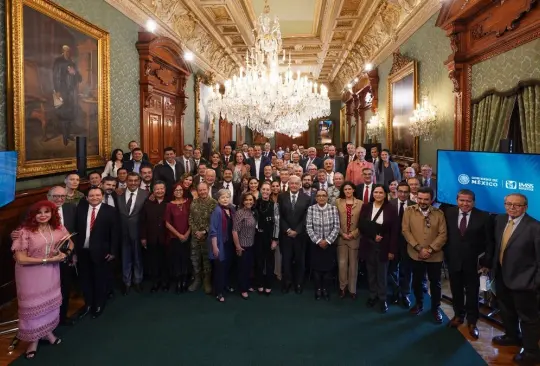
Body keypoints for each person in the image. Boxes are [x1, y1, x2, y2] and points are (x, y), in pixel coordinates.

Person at [485, 193, 540, 364]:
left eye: (517, 205)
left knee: (528, 318)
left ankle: (532, 352)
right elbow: (497, 246)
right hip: (501, 277)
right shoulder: (500, 220)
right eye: (508, 204)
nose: (512, 208)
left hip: (525, 283)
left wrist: (535, 283)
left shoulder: (535, 227)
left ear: (525, 207)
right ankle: (512, 336)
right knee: (506, 311)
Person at [11, 200, 70, 359]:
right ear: (33, 214)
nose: (43, 215)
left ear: (52, 213)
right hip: (30, 275)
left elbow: (69, 242)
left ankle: (48, 333)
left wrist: (65, 254)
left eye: (47, 212)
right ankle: (33, 341)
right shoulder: (24, 231)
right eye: (39, 212)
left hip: (51, 272)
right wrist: (46, 260)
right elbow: (21, 258)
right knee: (33, 308)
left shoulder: (58, 228)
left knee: (49, 306)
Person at [444, 189, 493, 339]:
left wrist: (486, 263)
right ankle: (458, 316)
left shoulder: (484, 216)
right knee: (456, 290)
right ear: (457, 200)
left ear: (474, 202)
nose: (465, 204)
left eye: (468, 201)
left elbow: (490, 242)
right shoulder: (448, 213)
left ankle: (472, 321)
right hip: (453, 261)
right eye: (462, 200)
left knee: (472, 293)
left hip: (474, 264)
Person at [402, 187, 447, 323]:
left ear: (431, 199)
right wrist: (418, 248)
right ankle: (419, 304)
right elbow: (405, 230)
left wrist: (430, 250)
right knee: (417, 281)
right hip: (415, 254)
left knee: (435, 283)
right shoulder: (409, 211)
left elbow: (443, 234)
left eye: (425, 199)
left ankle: (435, 309)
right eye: (419, 198)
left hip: (435, 256)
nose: (422, 201)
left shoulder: (439, 214)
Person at [75, 187, 119, 320]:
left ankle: (99, 304)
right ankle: (88, 303)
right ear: (87, 197)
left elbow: (115, 233)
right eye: (91, 195)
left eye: (98, 195)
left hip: (101, 252)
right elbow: (76, 229)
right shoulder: (81, 209)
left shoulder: (110, 211)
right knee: (85, 279)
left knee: (100, 278)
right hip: (83, 251)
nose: (95, 198)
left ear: (102, 196)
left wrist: (113, 251)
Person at [359, 185, 399, 313]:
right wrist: (372, 235)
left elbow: (394, 231)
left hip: (384, 246)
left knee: (382, 274)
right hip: (369, 244)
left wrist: (392, 250)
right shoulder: (366, 207)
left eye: (381, 192)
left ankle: (382, 298)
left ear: (385, 194)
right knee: (370, 272)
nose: (378, 195)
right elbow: (361, 225)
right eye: (376, 192)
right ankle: (372, 295)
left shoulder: (391, 209)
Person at [46, 186, 76, 326]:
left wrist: (72, 254)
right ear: (48, 196)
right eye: (56, 196)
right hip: (45, 258)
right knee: (49, 290)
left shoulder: (71, 208)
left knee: (65, 286)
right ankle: (48, 321)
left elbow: (75, 233)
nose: (59, 199)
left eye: (62, 196)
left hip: (66, 255)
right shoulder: (39, 211)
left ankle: (62, 317)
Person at [278, 175, 311, 294]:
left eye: (296, 183)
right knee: (286, 260)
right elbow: (279, 215)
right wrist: (287, 230)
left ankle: (298, 284)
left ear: (300, 185)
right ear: (289, 184)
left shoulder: (307, 198)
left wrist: (297, 230)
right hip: (285, 235)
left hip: (300, 235)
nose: (294, 185)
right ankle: (287, 283)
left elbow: (307, 217)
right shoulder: (282, 197)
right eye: (292, 183)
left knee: (299, 261)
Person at [117, 173, 149, 294]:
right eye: (130, 180)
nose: (133, 183)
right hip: (123, 232)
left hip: (138, 232)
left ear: (139, 181)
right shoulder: (118, 194)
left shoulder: (146, 194)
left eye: (136, 180)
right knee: (125, 258)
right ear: (126, 181)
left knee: (138, 258)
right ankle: (127, 282)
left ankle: (138, 280)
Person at [306, 189, 340, 300]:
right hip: (316, 244)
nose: (321, 197)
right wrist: (318, 241)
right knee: (316, 268)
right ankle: (318, 289)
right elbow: (309, 227)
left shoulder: (333, 209)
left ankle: (325, 289)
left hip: (329, 244)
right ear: (316, 198)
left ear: (327, 197)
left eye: (324, 195)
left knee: (328, 268)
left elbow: (336, 227)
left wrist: (328, 241)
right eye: (319, 196)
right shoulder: (311, 209)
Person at [188, 182, 218, 293]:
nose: (202, 192)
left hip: (208, 237)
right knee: (195, 258)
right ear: (197, 191)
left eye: (204, 189)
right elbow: (190, 218)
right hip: (195, 237)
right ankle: (197, 279)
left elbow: (215, 222)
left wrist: (204, 231)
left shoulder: (214, 203)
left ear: (208, 189)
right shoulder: (194, 202)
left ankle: (207, 280)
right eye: (200, 190)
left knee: (207, 260)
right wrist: (196, 231)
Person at [140, 181, 169, 293]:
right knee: (153, 261)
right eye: (157, 189)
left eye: (162, 188)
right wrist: (143, 237)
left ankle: (165, 282)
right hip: (151, 237)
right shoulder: (147, 203)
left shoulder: (169, 202)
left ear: (165, 190)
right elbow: (143, 221)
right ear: (153, 190)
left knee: (165, 260)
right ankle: (155, 282)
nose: (159, 191)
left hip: (165, 237)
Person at [335, 182, 362, 299]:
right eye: (345, 189)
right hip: (341, 238)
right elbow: (334, 219)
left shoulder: (360, 203)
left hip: (354, 239)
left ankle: (352, 289)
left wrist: (353, 234)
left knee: (353, 266)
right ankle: (342, 288)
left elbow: (363, 222)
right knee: (342, 265)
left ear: (354, 190)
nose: (347, 191)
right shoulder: (337, 202)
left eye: (350, 189)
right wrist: (342, 233)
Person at [208, 189, 236, 302]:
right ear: (218, 199)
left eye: (227, 197)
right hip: (220, 244)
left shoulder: (232, 209)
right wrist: (215, 247)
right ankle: (218, 292)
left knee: (227, 267)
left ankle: (225, 285)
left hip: (230, 243)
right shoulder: (217, 211)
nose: (225, 199)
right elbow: (213, 231)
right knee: (219, 269)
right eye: (222, 197)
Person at [165, 183, 192, 293]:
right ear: (173, 192)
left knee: (186, 259)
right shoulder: (169, 205)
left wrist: (187, 233)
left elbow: (192, 219)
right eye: (176, 190)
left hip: (188, 236)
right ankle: (178, 281)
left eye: (180, 190)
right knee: (177, 259)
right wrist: (179, 235)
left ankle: (185, 280)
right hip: (175, 238)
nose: (178, 192)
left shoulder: (189, 202)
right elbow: (167, 223)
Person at [254, 182, 280, 295]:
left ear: (270, 191)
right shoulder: (255, 203)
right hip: (257, 236)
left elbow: (277, 223)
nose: (265, 191)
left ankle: (268, 284)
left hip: (269, 237)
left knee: (269, 262)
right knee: (259, 262)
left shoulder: (275, 205)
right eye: (263, 189)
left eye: (267, 189)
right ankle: (259, 284)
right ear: (260, 190)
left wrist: (275, 239)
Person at [53, 45, 82, 146]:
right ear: (62, 51)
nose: (67, 52)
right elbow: (55, 76)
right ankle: (65, 137)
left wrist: (74, 73)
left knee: (71, 113)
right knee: (64, 114)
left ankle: (68, 134)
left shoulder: (72, 63)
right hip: (62, 91)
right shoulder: (58, 61)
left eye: (68, 51)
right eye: (65, 51)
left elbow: (80, 78)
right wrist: (57, 90)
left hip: (72, 92)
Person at [232, 193, 257, 299]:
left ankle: (247, 285)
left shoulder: (252, 212)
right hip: (242, 245)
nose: (249, 202)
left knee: (249, 267)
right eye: (246, 200)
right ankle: (243, 289)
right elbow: (234, 231)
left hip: (251, 244)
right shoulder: (239, 213)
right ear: (243, 201)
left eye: (251, 200)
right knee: (242, 268)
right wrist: (238, 246)